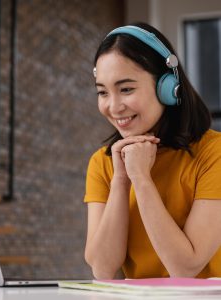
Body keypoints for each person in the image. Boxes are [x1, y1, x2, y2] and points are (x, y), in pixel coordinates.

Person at [84, 22, 221, 280]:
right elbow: (103, 268)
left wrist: (142, 179)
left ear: (168, 88)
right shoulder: (103, 163)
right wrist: (121, 179)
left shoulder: (214, 153)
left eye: (126, 89)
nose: (113, 106)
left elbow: (185, 268)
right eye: (102, 92)